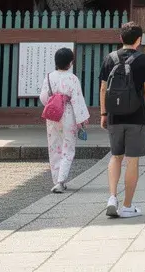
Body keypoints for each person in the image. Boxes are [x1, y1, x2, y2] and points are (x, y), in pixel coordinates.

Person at [98, 21, 145, 219]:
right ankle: (127, 206)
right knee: (132, 160)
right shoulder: (143, 60)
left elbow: (103, 89)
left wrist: (103, 114)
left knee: (116, 156)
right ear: (139, 40)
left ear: (120, 38)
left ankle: (112, 197)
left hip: (114, 115)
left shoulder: (110, 58)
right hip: (136, 115)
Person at [39, 46, 90, 193]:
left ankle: (56, 180)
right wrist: (81, 119)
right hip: (68, 113)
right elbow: (77, 100)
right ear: (70, 63)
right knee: (68, 146)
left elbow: (43, 97)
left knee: (54, 145)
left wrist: (53, 103)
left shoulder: (49, 76)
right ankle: (61, 181)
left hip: (53, 114)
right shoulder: (72, 79)